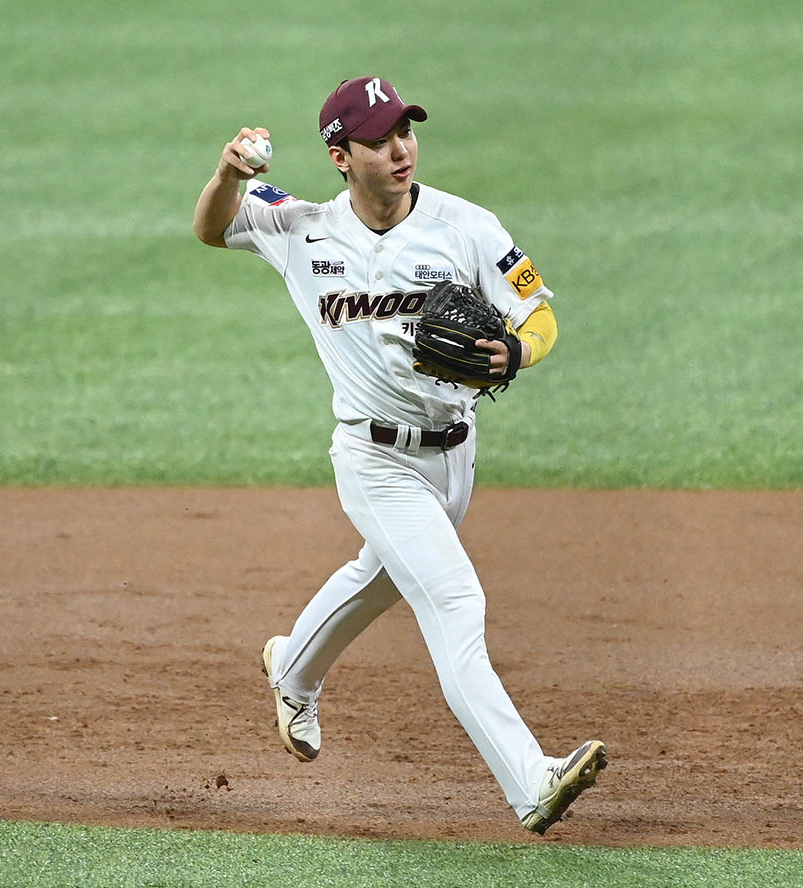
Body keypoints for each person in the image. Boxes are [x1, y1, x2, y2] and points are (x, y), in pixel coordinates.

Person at [192, 76, 606, 835]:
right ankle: (532, 780)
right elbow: (212, 229)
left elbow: (539, 311)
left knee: (378, 578)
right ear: (340, 155)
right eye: (380, 140)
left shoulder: (468, 227)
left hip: (453, 456)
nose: (401, 149)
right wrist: (226, 177)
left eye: (406, 133)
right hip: (371, 459)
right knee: (453, 602)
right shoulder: (300, 227)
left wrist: (517, 351)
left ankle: (293, 671)